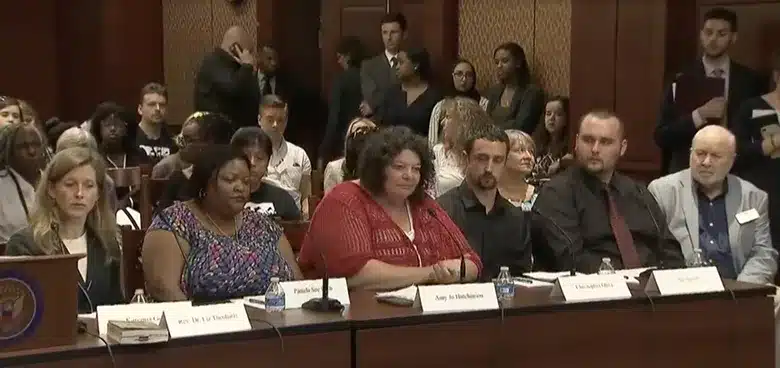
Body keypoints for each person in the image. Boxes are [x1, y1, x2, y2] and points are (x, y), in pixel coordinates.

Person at [299, 126, 481, 290]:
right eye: (399, 167)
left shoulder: (424, 205)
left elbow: (472, 262)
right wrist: (431, 274)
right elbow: (357, 275)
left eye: (416, 169)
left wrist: (456, 272)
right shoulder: (345, 200)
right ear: (378, 168)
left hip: (423, 316)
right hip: (354, 318)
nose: (409, 175)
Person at [142, 145, 301, 302]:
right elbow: (164, 289)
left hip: (274, 321)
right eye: (230, 180)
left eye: (246, 182)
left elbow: (297, 283)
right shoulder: (175, 222)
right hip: (201, 323)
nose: (240, 188)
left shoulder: (263, 224)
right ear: (205, 183)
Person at [532, 111, 685, 272]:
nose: (595, 149)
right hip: (595, 289)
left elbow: (669, 249)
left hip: (650, 288)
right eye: (588, 140)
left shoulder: (637, 191)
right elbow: (570, 259)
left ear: (622, 147)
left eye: (605, 142)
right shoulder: (557, 193)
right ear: (576, 142)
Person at [649, 126, 777, 283]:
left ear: (732, 160)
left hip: (740, 285)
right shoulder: (663, 191)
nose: (706, 162)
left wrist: (742, 289)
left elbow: (763, 253)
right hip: (683, 287)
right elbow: (654, 249)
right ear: (690, 154)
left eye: (716, 156)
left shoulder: (753, 197)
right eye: (700, 154)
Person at [6, 148, 123, 311]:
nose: (80, 193)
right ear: (51, 190)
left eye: (89, 186)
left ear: (98, 195)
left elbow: (116, 307)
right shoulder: (25, 245)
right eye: (70, 184)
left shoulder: (107, 243)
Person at [654, 8, 766, 175]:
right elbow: (662, 135)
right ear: (701, 35)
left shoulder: (751, 80)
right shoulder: (680, 77)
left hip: (736, 172)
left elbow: (757, 133)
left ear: (733, 37)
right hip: (688, 171)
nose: (713, 39)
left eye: (721, 34)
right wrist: (699, 115)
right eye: (708, 32)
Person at [438, 124, 532, 280]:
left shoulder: (516, 218)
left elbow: (522, 276)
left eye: (497, 160)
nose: (489, 168)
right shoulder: (442, 211)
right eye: (482, 158)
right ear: (465, 158)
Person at [733, 51, 780, 249]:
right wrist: (770, 144)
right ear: (777, 76)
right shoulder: (751, 107)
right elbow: (736, 152)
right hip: (763, 193)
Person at [156, 112, 233, 209]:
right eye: (182, 140)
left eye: (190, 140)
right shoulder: (177, 179)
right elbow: (160, 220)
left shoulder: (231, 182)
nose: (182, 145)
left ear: (211, 143)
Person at [194, 26, 259, 129]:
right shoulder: (213, 62)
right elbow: (233, 89)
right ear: (235, 48)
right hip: (217, 136)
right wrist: (247, 67)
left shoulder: (239, 68)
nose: (251, 56)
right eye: (249, 51)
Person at [230, 127, 301, 221]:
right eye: (245, 156)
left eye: (259, 158)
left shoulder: (282, 199)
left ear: (268, 162)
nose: (252, 163)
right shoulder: (220, 197)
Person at [258, 95, 312, 217]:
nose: (275, 125)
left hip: (293, 219)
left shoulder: (299, 154)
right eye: (270, 120)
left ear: (286, 122)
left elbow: (306, 198)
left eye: (280, 120)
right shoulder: (251, 155)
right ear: (259, 120)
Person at [432, 97, 493, 197]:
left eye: (448, 117)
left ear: (462, 124)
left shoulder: (481, 155)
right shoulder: (438, 151)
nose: (442, 122)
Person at [319, 36, 366, 164]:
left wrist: (324, 149)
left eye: (340, 57)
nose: (338, 62)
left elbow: (334, 117)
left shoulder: (341, 81)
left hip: (345, 141)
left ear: (348, 56)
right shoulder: (370, 78)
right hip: (367, 139)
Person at [375, 48, 442, 136]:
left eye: (401, 62)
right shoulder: (391, 93)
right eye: (396, 63)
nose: (397, 67)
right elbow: (382, 125)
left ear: (415, 65)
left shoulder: (433, 97)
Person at [0, 122, 47, 243]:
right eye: (22, 146)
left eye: (36, 144)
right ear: (9, 152)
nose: (31, 151)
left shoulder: (55, 181)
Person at [485, 42, 545, 134]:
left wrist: (493, 128)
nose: (499, 66)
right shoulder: (495, 91)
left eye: (505, 61)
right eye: (496, 62)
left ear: (518, 63)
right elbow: (485, 122)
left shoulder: (531, 92)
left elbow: (521, 126)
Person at [427, 59, 490, 146]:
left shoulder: (483, 104)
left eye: (469, 75)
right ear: (452, 76)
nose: (464, 79)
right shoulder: (441, 106)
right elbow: (432, 141)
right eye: (459, 74)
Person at [360, 13, 408, 118]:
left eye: (393, 32)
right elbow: (371, 98)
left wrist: (375, 105)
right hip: (379, 127)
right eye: (385, 33)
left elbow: (412, 97)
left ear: (404, 34)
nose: (388, 38)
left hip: (406, 125)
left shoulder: (411, 63)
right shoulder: (369, 66)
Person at [323, 117, 377, 193]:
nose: (364, 140)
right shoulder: (334, 169)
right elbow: (330, 202)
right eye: (359, 135)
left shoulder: (379, 169)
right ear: (349, 140)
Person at [532, 96, 573, 180]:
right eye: (548, 114)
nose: (551, 118)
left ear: (566, 118)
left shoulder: (570, 145)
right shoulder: (535, 141)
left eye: (558, 114)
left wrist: (561, 163)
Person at [136, 83, 176, 163]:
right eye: (151, 104)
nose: (158, 109)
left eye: (162, 105)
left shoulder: (173, 141)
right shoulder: (130, 140)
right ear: (140, 109)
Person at [499, 130, 538, 210]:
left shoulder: (542, 194)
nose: (528, 156)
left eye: (531, 152)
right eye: (520, 151)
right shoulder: (487, 194)